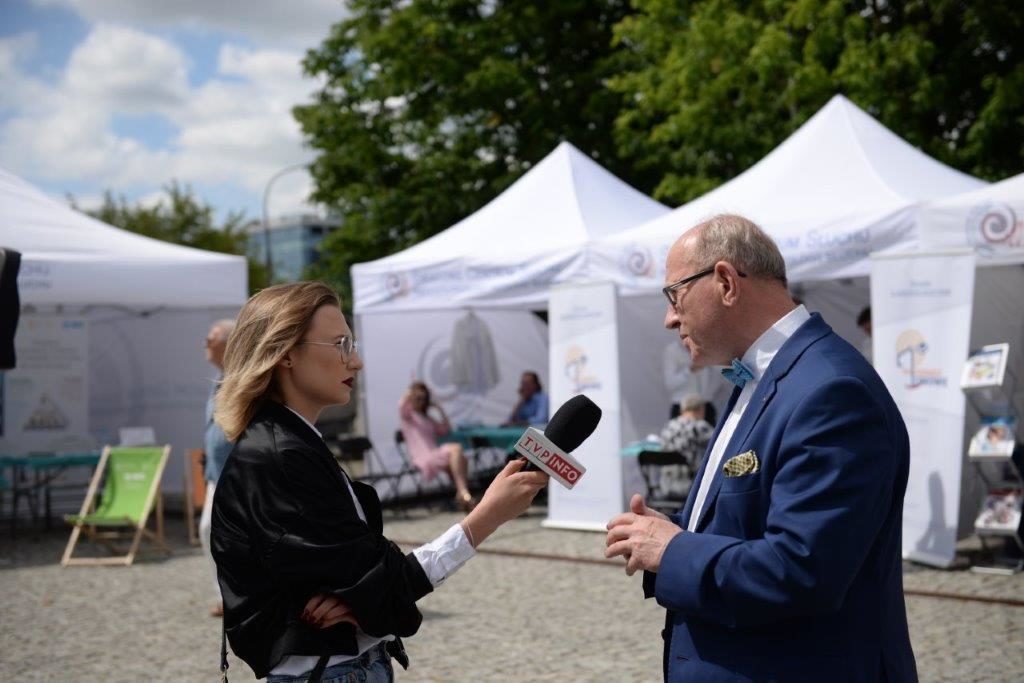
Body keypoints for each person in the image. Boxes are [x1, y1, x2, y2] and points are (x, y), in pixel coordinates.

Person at [605, 215, 917, 681]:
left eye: (674, 295)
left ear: (726, 282)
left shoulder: (830, 391)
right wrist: (676, 534)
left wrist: (675, 551)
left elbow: (801, 571)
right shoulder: (766, 376)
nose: (670, 318)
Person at [211, 282, 548, 682]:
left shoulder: (292, 443)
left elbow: (365, 577)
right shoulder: (281, 455)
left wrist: (360, 598)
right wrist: (486, 517)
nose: (356, 362)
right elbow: (386, 584)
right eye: (340, 345)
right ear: (285, 353)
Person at [199, 318, 235, 618]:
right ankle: (227, 595)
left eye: (211, 338)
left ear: (228, 343)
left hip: (235, 474)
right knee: (209, 530)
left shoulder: (241, 378)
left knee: (217, 531)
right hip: (217, 472)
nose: (205, 344)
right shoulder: (220, 378)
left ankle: (234, 596)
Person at [399, 380, 476, 511]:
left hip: (433, 454)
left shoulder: (427, 418)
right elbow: (401, 405)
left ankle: (462, 494)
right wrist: (412, 391)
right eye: (418, 398)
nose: (420, 401)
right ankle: (463, 492)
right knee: (456, 449)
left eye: (423, 398)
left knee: (461, 459)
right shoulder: (408, 417)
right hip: (423, 458)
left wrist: (439, 409)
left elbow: (446, 429)